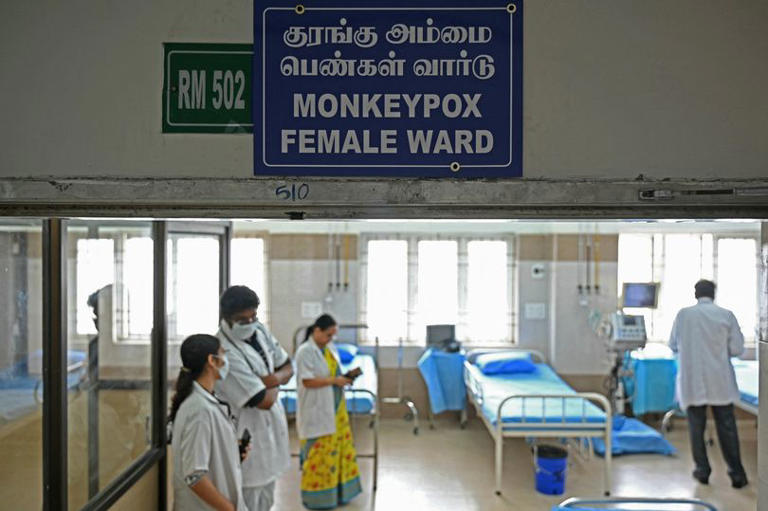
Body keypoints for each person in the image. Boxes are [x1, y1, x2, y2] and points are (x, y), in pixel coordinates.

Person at [215, 285, 293, 511]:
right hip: (245, 438)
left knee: (266, 500)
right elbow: (263, 401)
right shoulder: (224, 351)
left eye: (253, 317)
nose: (250, 324)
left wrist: (269, 380)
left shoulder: (259, 331)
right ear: (227, 318)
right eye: (242, 320)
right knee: (248, 500)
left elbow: (288, 366)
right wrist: (277, 380)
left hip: (268, 433)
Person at [669, 279, 748, 488]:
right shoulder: (726, 315)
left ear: (695, 294)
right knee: (727, 427)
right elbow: (738, 349)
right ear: (714, 293)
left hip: (692, 380)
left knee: (696, 427)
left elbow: (673, 344)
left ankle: (702, 471)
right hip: (720, 380)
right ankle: (737, 475)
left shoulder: (683, 315)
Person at [169, 334, 248, 511]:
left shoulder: (207, 401)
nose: (226, 361)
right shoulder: (199, 410)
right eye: (223, 354)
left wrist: (234, 453)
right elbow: (195, 476)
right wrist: (229, 508)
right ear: (212, 360)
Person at [294, 314, 362, 509]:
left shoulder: (329, 350)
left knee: (338, 453)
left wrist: (344, 379)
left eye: (333, 335)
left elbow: (334, 374)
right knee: (318, 457)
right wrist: (335, 381)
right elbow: (307, 381)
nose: (331, 339)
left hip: (335, 410)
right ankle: (317, 500)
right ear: (317, 331)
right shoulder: (305, 351)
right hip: (316, 411)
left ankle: (339, 494)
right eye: (328, 335)